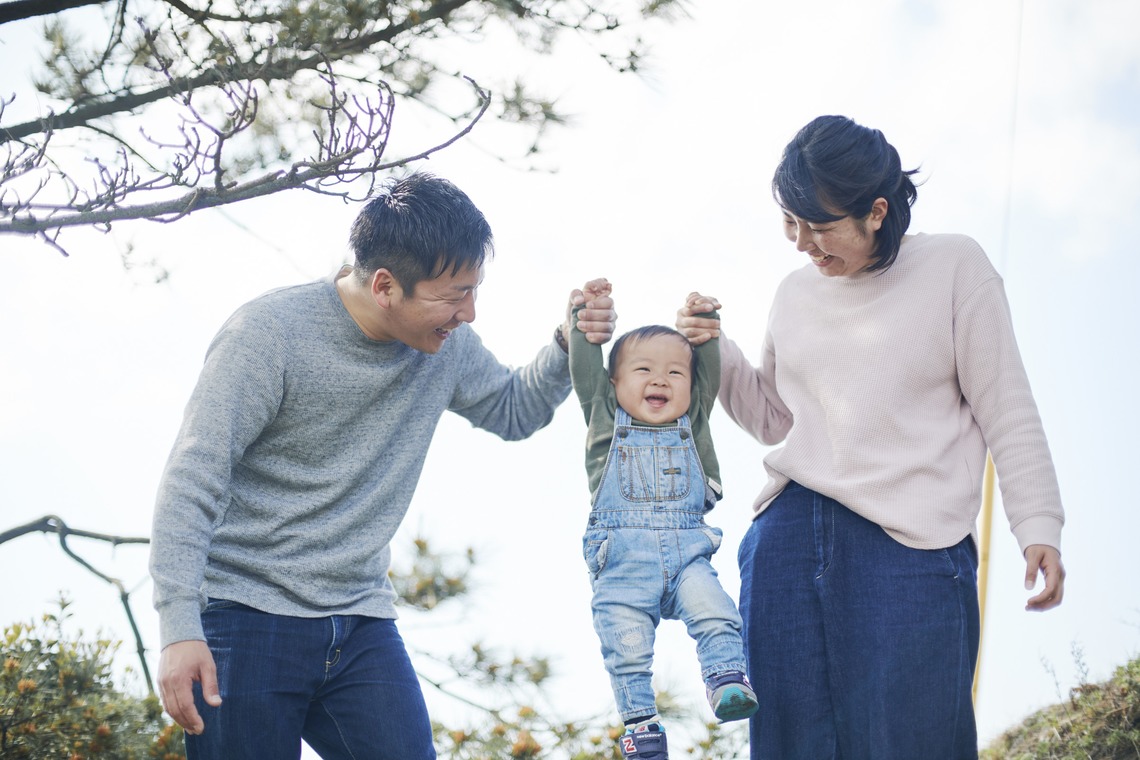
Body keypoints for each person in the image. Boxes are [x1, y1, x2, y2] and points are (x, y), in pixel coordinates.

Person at [149, 171, 617, 760]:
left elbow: (512, 409)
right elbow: (194, 478)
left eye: (474, 290)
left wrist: (567, 342)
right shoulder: (268, 335)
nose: (469, 313)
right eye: (454, 295)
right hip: (245, 617)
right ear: (385, 286)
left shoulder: (446, 347)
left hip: (360, 621)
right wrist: (179, 626)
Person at [676, 115, 1067, 760]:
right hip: (787, 543)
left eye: (819, 226)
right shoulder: (795, 293)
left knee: (914, 743)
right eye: (790, 222)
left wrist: (1039, 525)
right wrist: (715, 349)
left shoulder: (954, 266)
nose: (802, 243)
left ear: (876, 212)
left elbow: (1007, 406)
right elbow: (775, 420)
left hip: (909, 549)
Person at [570, 282, 758, 760]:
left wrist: (706, 327)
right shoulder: (604, 419)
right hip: (623, 561)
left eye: (676, 372)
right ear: (613, 384)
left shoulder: (692, 422)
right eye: (644, 370)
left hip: (687, 551)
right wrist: (583, 318)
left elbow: (709, 370)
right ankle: (641, 726)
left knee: (716, 610)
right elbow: (584, 367)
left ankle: (726, 679)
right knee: (625, 643)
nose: (661, 380)